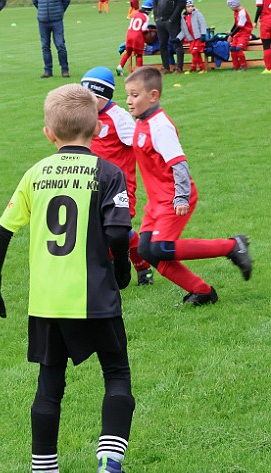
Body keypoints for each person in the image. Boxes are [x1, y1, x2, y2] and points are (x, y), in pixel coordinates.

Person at [0, 84, 137, 473]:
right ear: (98, 127)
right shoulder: (108, 173)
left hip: (46, 302)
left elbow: (1, 232)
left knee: (49, 385)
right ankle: (109, 469)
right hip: (95, 297)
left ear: (49, 133)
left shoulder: (36, 173)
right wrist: (121, 272)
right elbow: (118, 233)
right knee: (116, 374)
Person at [124, 67, 253, 306]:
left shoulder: (160, 126)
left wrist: (181, 197)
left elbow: (179, 164)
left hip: (173, 197)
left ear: (153, 96)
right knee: (147, 250)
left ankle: (233, 246)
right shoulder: (143, 122)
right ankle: (202, 291)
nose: (129, 101)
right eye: (128, 95)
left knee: (161, 248)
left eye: (134, 95)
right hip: (156, 201)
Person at [81, 67, 154, 286]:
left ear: (103, 96)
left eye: (91, 98)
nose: (86, 103)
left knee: (118, 232)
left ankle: (140, 267)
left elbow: (140, 144)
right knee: (100, 230)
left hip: (119, 187)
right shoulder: (86, 116)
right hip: (92, 184)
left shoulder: (119, 117)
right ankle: (114, 273)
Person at [33, 0, 71, 78]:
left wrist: (60, 11)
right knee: (45, 46)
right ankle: (48, 71)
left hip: (56, 20)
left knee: (60, 45)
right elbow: (35, 2)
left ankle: (65, 70)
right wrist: (42, 11)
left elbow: (66, 1)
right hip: (43, 20)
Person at [116, 0, 154, 76]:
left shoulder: (135, 14)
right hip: (138, 37)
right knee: (139, 55)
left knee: (128, 52)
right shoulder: (145, 17)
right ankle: (140, 72)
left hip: (129, 35)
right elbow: (143, 30)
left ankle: (120, 66)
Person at [155, 0, 185, 73]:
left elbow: (181, 4)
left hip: (172, 22)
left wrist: (172, 19)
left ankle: (179, 68)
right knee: (162, 45)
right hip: (160, 21)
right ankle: (166, 67)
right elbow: (155, 3)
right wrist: (156, 17)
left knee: (177, 43)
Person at [178, 0, 208, 73]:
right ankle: (201, 69)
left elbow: (202, 24)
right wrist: (178, 38)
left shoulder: (197, 14)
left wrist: (203, 34)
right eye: (188, 7)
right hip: (191, 39)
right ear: (185, 8)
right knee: (195, 53)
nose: (190, 8)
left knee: (195, 52)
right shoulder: (183, 17)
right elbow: (184, 30)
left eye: (192, 6)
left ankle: (194, 68)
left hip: (198, 37)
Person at [227, 0, 254, 71]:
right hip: (238, 33)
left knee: (238, 49)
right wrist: (231, 31)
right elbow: (236, 23)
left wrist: (231, 36)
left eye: (230, 7)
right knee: (232, 48)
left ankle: (244, 65)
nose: (230, 9)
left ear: (234, 5)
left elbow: (240, 26)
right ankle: (236, 66)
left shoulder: (242, 13)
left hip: (245, 33)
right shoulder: (236, 12)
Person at [254, 0, 271, 73]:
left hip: (266, 22)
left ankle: (269, 68)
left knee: (266, 46)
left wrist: (255, 21)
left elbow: (259, 8)